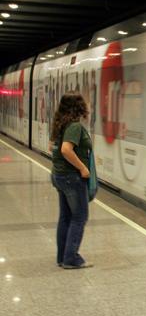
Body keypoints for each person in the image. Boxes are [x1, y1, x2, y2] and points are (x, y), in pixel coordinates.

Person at [49, 93, 93, 269]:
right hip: (71, 177)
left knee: (66, 217)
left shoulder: (61, 124)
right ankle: (71, 258)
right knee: (79, 217)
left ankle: (62, 257)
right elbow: (66, 149)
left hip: (59, 175)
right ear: (78, 106)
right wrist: (82, 167)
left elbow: (52, 147)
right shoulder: (74, 126)